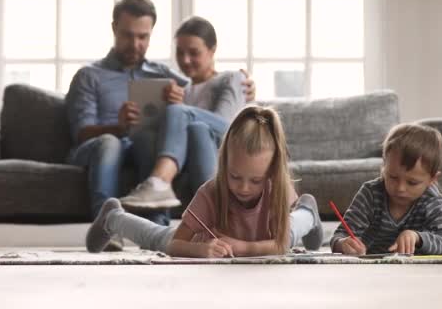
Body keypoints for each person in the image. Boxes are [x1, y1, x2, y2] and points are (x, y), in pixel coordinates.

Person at [65, 0, 255, 243]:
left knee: (147, 139)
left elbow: (203, 90)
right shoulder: (89, 75)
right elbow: (81, 133)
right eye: (127, 35)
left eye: (143, 37)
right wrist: (119, 126)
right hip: (103, 145)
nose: (135, 44)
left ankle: (158, 232)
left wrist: (245, 90)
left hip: (144, 145)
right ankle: (108, 228)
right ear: (114, 29)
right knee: (110, 142)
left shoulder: (163, 74)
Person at [85, 106, 324, 257]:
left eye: (255, 180)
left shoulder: (278, 187)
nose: (243, 187)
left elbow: (280, 245)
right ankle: (113, 217)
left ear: (271, 173)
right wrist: (199, 249)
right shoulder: (211, 191)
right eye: (234, 176)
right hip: (202, 241)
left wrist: (242, 247)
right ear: (224, 163)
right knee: (160, 238)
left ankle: (308, 211)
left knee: (291, 231)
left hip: (263, 236)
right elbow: (178, 242)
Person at [331, 123, 442, 255]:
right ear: (383, 168)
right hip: (369, 268)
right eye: (393, 177)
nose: (400, 188)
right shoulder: (371, 193)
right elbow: (339, 236)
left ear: (432, 179)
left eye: (412, 182)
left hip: (412, 272)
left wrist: (417, 237)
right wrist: (343, 244)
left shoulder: (430, 199)